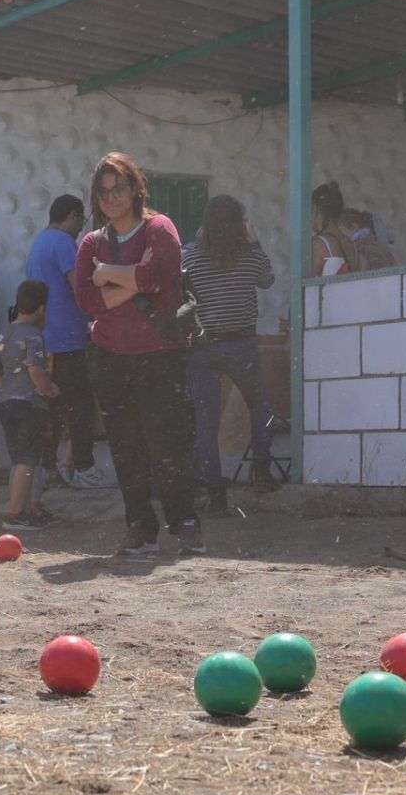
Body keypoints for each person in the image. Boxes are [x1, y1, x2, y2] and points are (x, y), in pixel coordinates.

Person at [75, 152, 202, 557]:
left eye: (120, 188)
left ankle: (185, 522)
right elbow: (88, 301)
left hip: (161, 355)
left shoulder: (158, 228)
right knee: (126, 446)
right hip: (110, 357)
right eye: (104, 191)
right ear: (96, 197)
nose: (112, 197)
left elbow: (162, 275)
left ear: (136, 188)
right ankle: (140, 525)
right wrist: (134, 281)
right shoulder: (91, 242)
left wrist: (108, 273)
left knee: (169, 444)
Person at [181, 195, 280, 514]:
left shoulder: (192, 259)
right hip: (241, 344)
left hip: (204, 347)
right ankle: (261, 472)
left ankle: (216, 495)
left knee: (205, 424)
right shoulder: (249, 256)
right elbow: (268, 279)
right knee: (261, 407)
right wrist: (255, 241)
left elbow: (182, 294)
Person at [25, 194, 105, 487]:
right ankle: (83, 467)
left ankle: (51, 469)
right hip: (67, 340)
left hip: (48, 340)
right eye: (80, 221)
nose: (80, 228)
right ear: (72, 216)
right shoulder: (63, 242)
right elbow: (79, 287)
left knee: (54, 408)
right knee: (81, 406)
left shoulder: (39, 242)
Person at [0, 281, 60, 532]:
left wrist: (8, 387)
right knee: (28, 460)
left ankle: (25, 509)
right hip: (29, 404)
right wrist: (50, 391)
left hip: (7, 403)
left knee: (19, 459)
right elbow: (36, 369)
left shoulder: (5, 332)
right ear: (42, 309)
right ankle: (16, 513)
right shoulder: (33, 335)